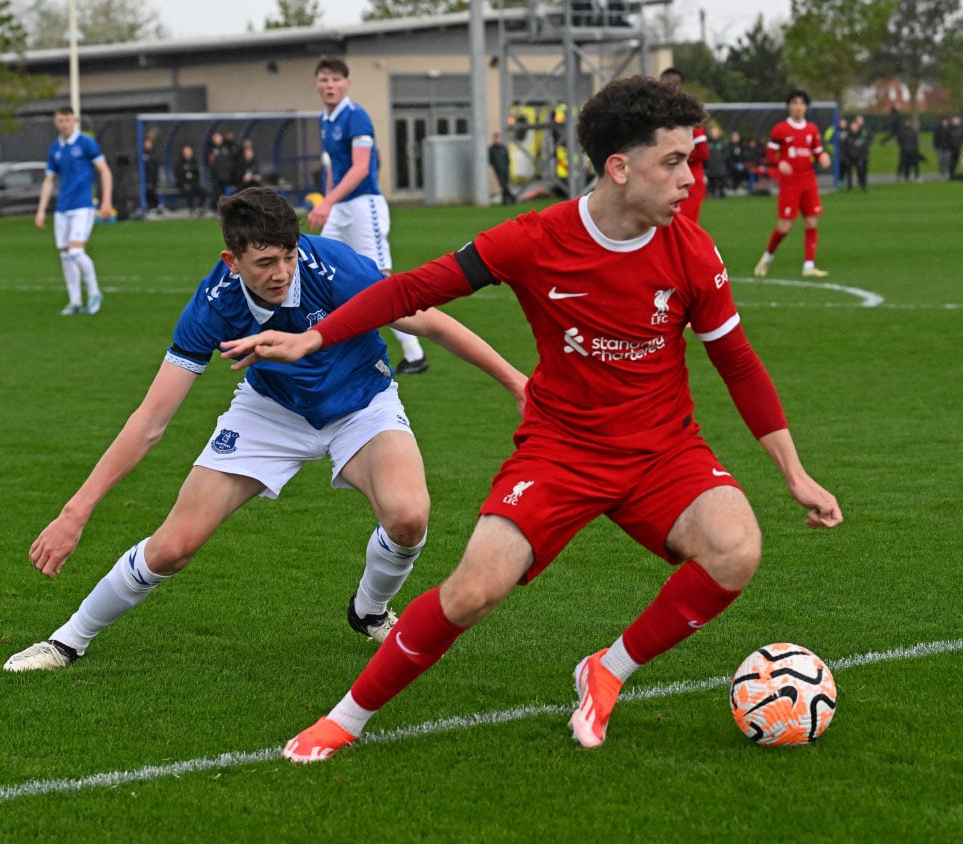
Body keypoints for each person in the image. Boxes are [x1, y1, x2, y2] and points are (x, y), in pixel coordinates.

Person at [220, 76, 844, 763]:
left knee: (736, 548)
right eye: (673, 162)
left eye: (691, 161)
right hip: (562, 451)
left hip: (663, 452)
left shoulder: (692, 251)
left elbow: (740, 364)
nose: (688, 179)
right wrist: (313, 336)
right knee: (472, 592)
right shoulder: (535, 239)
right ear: (619, 167)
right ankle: (346, 716)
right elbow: (411, 288)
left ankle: (607, 669)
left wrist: (794, 473)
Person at [3, 186, 527, 673]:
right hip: (270, 412)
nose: (282, 271)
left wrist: (516, 384)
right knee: (173, 546)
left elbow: (428, 321)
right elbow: (150, 420)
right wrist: (76, 512)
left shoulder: (334, 265)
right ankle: (67, 640)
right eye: (265, 262)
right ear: (232, 261)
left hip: (361, 402)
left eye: (288, 255)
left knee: (409, 517)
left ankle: (369, 611)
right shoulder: (213, 305)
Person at [309, 55, 429, 376]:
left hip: (365, 206)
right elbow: (335, 165)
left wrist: (326, 201)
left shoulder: (356, 116)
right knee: (316, 269)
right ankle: (322, 347)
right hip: (341, 207)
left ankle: (414, 353)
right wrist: (330, 202)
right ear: (316, 84)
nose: (329, 85)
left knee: (379, 282)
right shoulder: (327, 118)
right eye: (324, 79)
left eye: (335, 79)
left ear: (347, 83)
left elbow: (361, 168)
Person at [35, 105, 113, 316]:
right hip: (62, 208)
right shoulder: (55, 148)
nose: (64, 124)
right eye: (60, 120)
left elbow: (104, 171)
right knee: (65, 255)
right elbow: (49, 180)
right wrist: (41, 210)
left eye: (68, 120)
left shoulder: (86, 143)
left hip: (83, 206)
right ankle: (75, 300)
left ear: (74, 120)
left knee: (76, 251)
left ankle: (95, 292)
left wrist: (106, 201)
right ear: (56, 122)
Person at [753, 89, 831, 279]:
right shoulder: (780, 129)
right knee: (784, 227)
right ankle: (766, 258)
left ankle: (809, 266)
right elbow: (770, 155)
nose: (798, 107)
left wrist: (823, 156)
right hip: (790, 183)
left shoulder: (812, 129)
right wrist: (780, 162)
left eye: (801, 103)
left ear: (806, 106)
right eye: (794, 103)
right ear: (789, 106)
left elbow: (817, 150)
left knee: (812, 222)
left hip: (808, 180)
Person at [659, 67, 707, 223]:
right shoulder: (656, 116)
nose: (670, 89)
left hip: (688, 183)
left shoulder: (689, 117)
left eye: (674, 85)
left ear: (681, 87)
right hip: (663, 181)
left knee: (684, 227)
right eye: (666, 85)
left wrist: (674, 155)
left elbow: (703, 153)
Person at [206, 131, 234, 212]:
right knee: (216, 192)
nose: (218, 140)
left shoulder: (225, 148)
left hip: (225, 176)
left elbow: (230, 160)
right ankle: (214, 208)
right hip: (216, 176)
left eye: (219, 138)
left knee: (223, 192)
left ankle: (221, 208)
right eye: (216, 138)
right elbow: (210, 163)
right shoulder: (211, 149)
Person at [174, 144, 205, 214]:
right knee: (189, 192)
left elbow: (197, 174)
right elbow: (178, 175)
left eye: (189, 152)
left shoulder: (194, 161)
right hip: (183, 184)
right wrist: (184, 183)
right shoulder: (179, 163)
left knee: (204, 192)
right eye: (186, 153)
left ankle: (200, 208)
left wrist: (194, 183)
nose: (187, 154)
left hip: (193, 183)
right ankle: (191, 209)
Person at [844, 115, 871, 191]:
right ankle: (849, 187)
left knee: (861, 171)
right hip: (849, 157)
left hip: (859, 156)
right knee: (849, 173)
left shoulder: (863, 134)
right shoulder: (848, 136)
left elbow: (866, 142)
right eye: (853, 127)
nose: (854, 128)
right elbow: (845, 146)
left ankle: (863, 185)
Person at [488, 132, 516, 205]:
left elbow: (507, 158)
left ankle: (505, 201)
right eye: (494, 138)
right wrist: (494, 165)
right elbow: (490, 159)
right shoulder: (491, 149)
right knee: (503, 184)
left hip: (505, 168)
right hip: (498, 169)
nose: (496, 140)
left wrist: (507, 166)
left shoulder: (503, 148)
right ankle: (511, 197)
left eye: (497, 138)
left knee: (505, 185)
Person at [141, 133, 160, 215]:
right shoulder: (140, 154)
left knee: (151, 190)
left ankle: (156, 207)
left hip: (152, 179)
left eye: (149, 143)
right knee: (147, 190)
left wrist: (154, 179)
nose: (147, 144)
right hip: (143, 179)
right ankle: (148, 208)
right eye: (146, 142)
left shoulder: (154, 154)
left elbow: (154, 168)